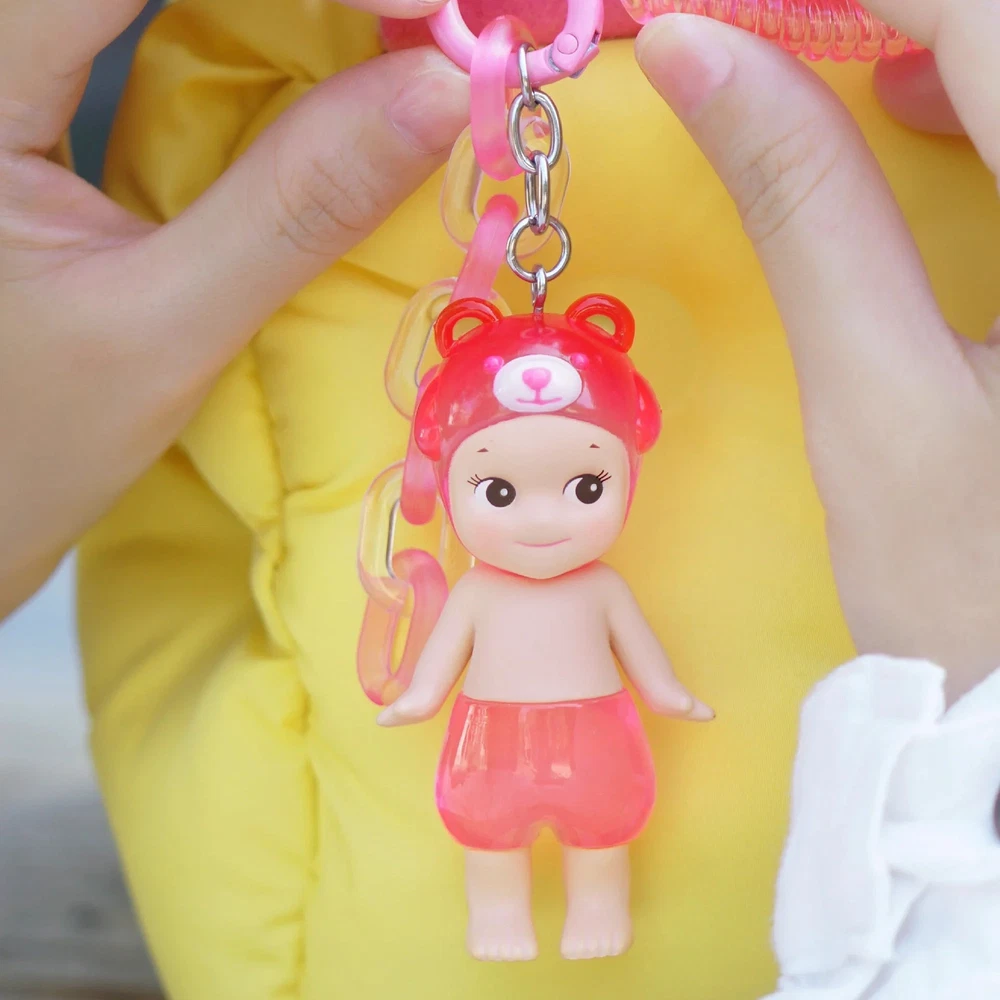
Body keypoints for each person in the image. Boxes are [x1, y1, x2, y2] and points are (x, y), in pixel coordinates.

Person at [0, 1, 996, 997]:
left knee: (596, 843)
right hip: (496, 740)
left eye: (586, 485)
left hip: (585, 743)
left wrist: (667, 693)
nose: (544, 515)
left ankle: (592, 914)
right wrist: (421, 696)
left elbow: (631, 648)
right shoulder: (487, 589)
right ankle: (505, 919)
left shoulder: (567, 585)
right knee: (493, 844)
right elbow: (445, 655)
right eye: (499, 490)